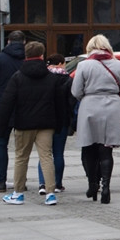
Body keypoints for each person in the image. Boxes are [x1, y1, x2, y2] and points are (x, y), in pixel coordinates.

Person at [0, 42, 69, 206]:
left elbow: (7, 103)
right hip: (46, 123)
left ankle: (18, 193)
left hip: (23, 124)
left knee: (21, 157)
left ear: (26, 56)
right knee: (46, 157)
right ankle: (50, 194)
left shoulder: (17, 77)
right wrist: (59, 124)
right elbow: (59, 103)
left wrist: (2, 127)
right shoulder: (52, 78)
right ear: (42, 56)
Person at [72, 34, 120, 205]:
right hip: (111, 106)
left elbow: (76, 91)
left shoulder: (83, 65)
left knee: (88, 148)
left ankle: (92, 183)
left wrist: (89, 95)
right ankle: (106, 186)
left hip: (89, 106)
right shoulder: (118, 65)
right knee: (106, 150)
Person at [0, 30, 26, 192]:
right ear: (24, 42)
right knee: (23, 149)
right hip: (24, 109)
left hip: (1, 109)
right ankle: (21, 182)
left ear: (8, 42)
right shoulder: (28, 60)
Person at [37, 54, 73, 194]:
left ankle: (42, 183)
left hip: (44, 120)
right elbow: (71, 102)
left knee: (44, 154)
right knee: (58, 153)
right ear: (60, 63)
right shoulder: (67, 80)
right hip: (61, 120)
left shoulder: (43, 78)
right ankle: (57, 184)